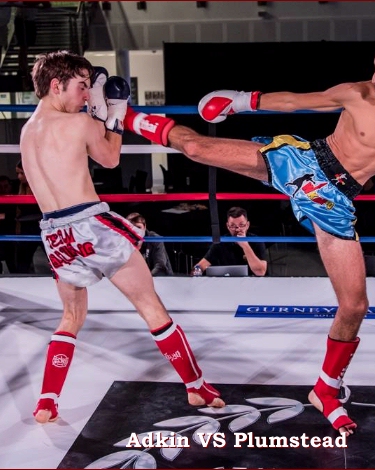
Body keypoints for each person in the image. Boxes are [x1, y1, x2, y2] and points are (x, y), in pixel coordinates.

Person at [123, 35, 375, 435]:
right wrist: (242, 101)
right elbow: (296, 101)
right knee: (196, 148)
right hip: (302, 163)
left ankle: (325, 390)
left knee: (354, 306)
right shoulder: (357, 93)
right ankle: (126, 117)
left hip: (335, 200)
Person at [19, 51, 224, 424]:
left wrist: (97, 114)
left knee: (71, 316)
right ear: (56, 85)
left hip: (56, 235)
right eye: (81, 86)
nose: (86, 94)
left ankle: (47, 401)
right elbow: (111, 158)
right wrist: (115, 112)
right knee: (151, 306)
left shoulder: (27, 131)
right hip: (90, 225)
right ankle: (196, 386)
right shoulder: (78, 123)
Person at [195, 206, 268, 276]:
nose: (237, 229)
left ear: (247, 225)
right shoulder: (220, 243)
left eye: (241, 225)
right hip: (227, 282)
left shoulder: (257, 241)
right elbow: (200, 266)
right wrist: (197, 271)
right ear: (228, 226)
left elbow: (260, 272)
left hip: (252, 283)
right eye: (232, 226)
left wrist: (245, 245)